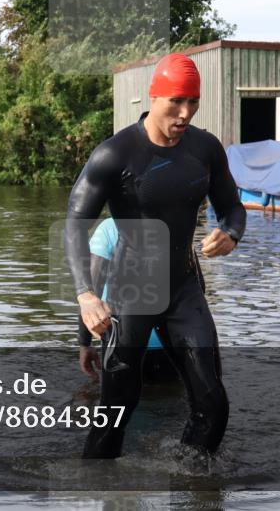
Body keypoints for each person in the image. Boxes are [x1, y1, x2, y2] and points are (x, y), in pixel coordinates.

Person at [64, 52, 246, 459]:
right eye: (176, 102)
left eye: (193, 102)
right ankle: (99, 487)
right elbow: (74, 224)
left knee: (213, 402)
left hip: (183, 286)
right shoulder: (115, 154)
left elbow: (232, 207)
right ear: (155, 96)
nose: (185, 113)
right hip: (133, 289)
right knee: (118, 406)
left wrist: (231, 233)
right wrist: (85, 295)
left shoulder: (206, 149)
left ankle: (190, 482)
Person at [77, 218, 176, 383]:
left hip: (122, 342)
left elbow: (91, 291)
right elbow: (196, 288)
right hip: (172, 343)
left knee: (117, 404)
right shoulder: (176, 224)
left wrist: (84, 344)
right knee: (173, 400)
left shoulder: (109, 227)